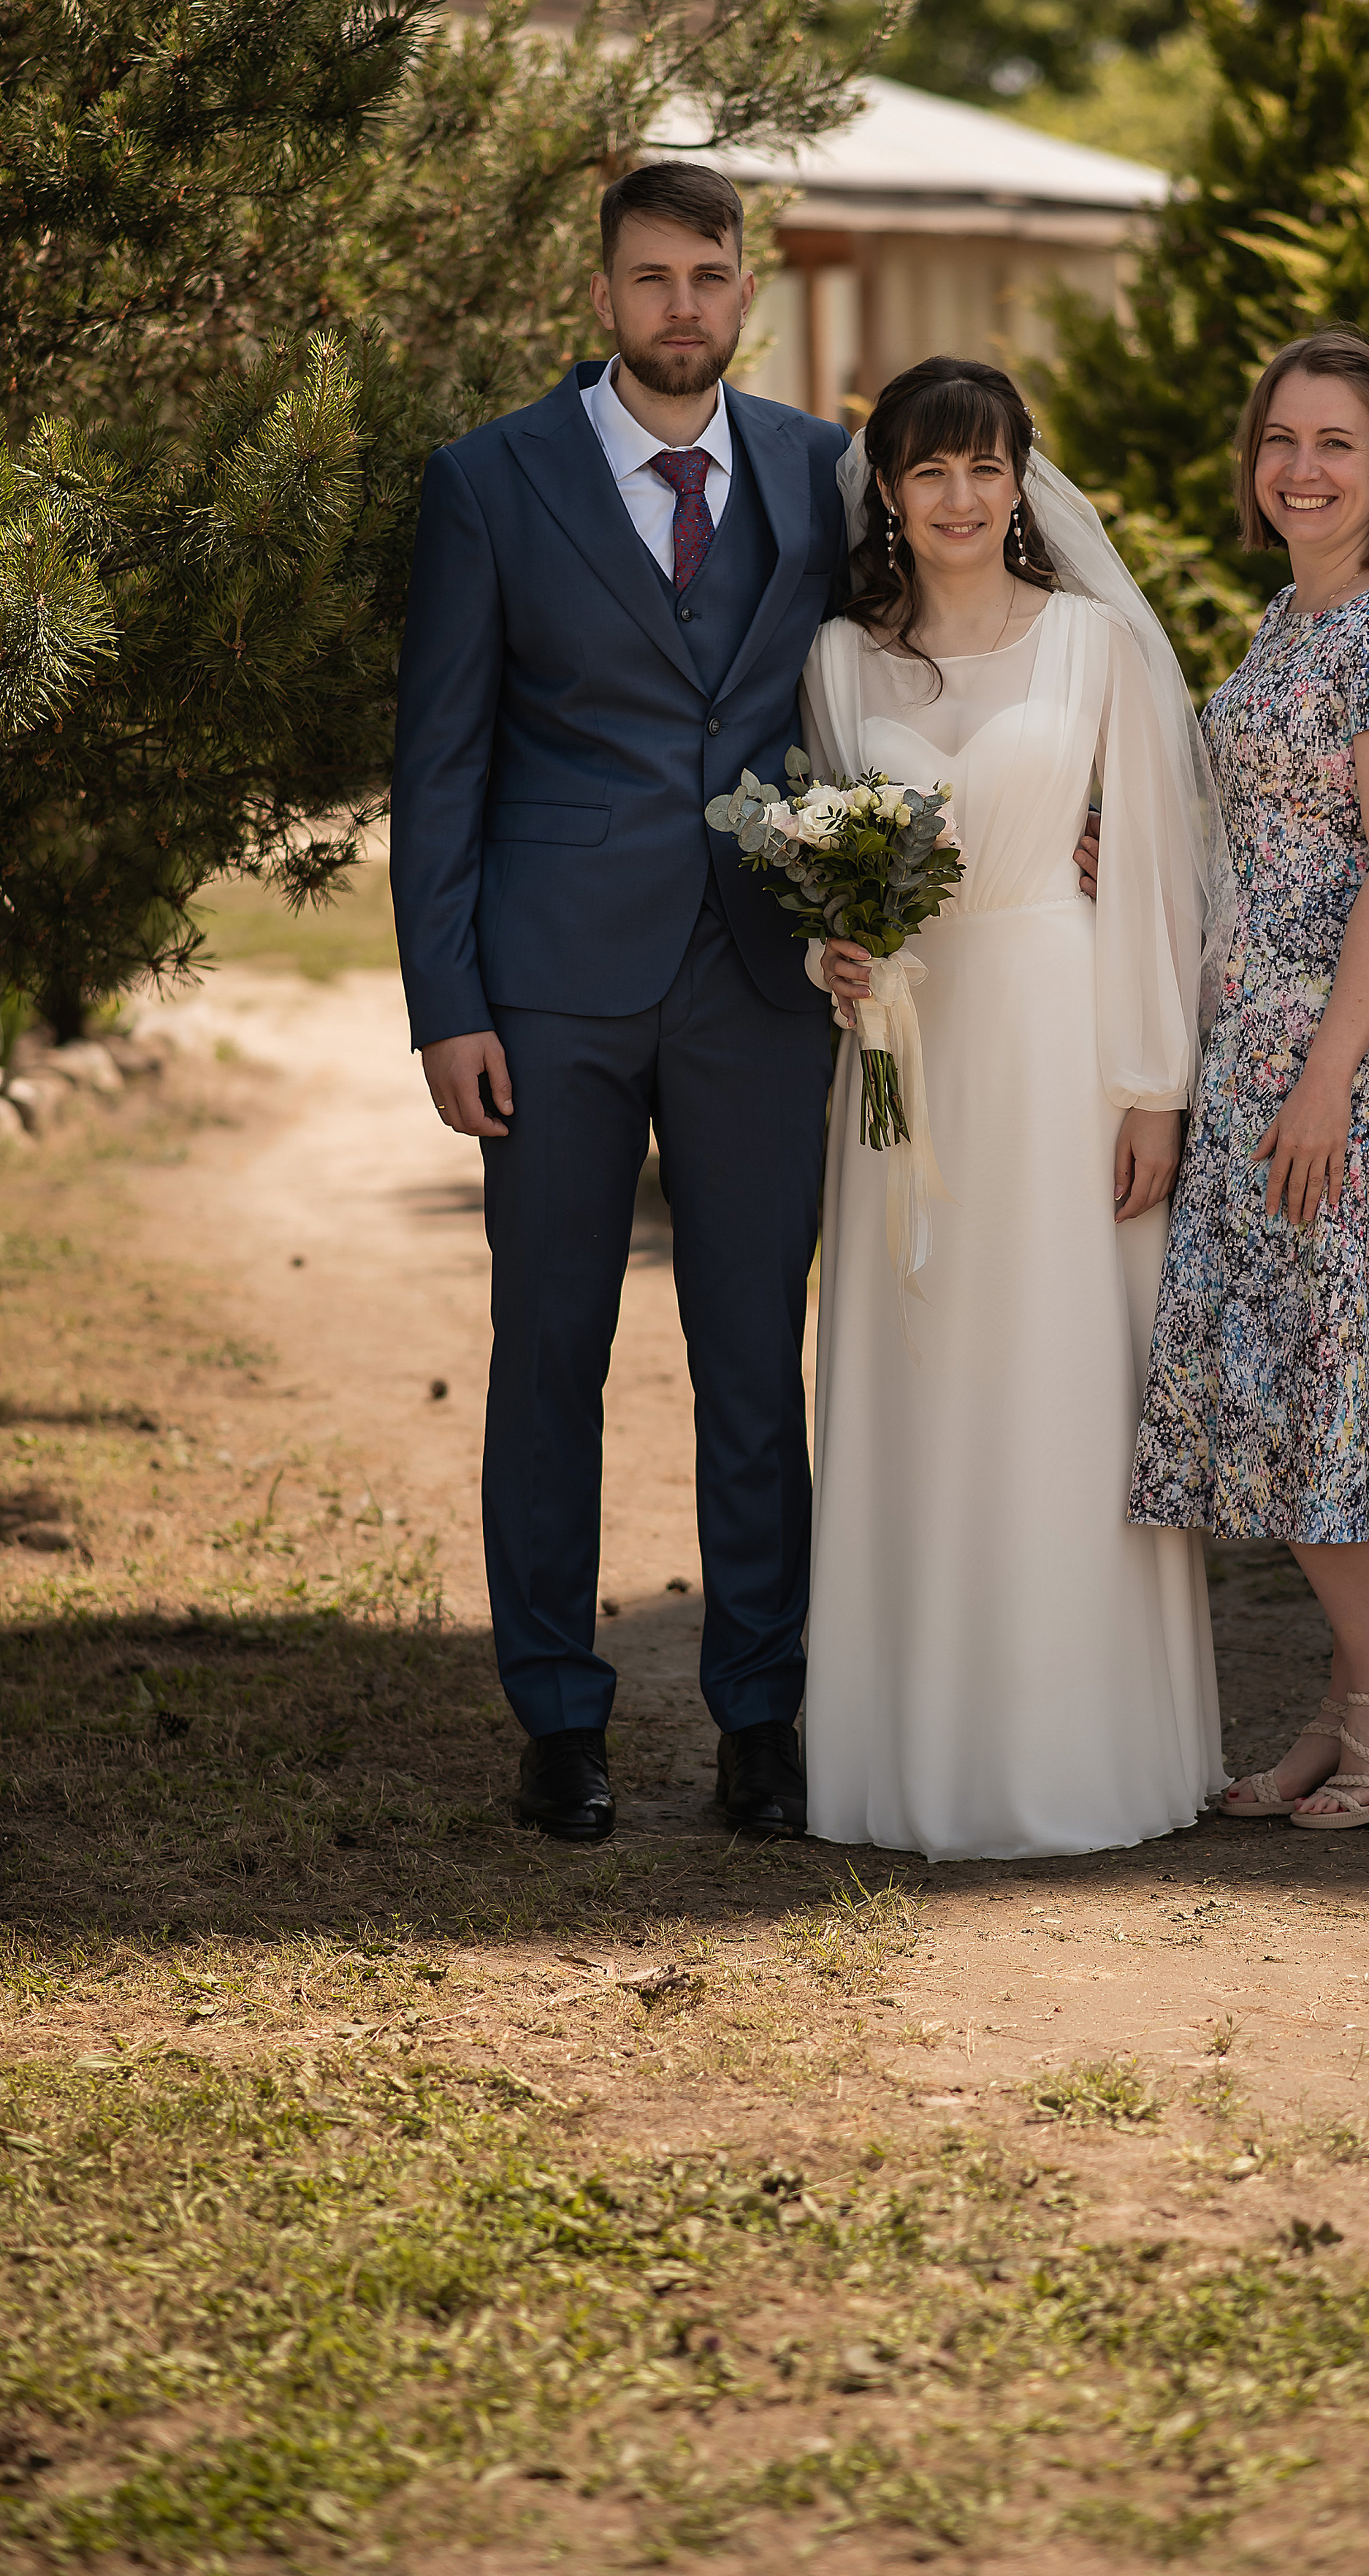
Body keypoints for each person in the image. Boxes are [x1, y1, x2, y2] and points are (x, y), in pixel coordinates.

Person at [390, 160, 850, 1844]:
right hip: (550, 990)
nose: (680, 306)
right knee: (549, 1355)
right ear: (602, 295)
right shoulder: (488, 481)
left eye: (707, 276)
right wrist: (448, 1002)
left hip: (758, 985)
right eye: (649, 277)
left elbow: (920, 657)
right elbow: (438, 762)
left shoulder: (820, 469)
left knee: (751, 1364)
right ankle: (557, 1718)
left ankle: (759, 1717)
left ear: (746, 289)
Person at [801, 357, 1228, 1861]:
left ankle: (1076, 1751)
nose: (959, 499)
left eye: (984, 467)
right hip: (910, 1062)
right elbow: (825, 866)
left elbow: (1158, 889)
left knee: (1059, 1389)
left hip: (1059, 1045)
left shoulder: (1097, 649)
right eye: (927, 473)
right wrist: (830, 951)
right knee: (918, 1383)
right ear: (888, 495)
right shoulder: (843, 664)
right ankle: (908, 1758)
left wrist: (1151, 1090)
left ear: (1022, 479)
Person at [1129, 330, 1369, 1831]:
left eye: (1334, 442)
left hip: (1344, 1054)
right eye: (1279, 438)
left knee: (1292, 1383)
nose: (1300, 466)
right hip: (1260, 1041)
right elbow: (1262, 829)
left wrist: (1326, 1081)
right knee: (1337, 1384)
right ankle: (1364, 1698)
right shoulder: (1288, 617)